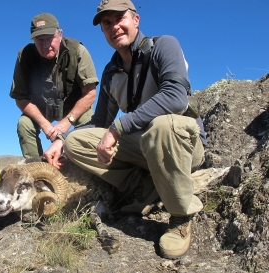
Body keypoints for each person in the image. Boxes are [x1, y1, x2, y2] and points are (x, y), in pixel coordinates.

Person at [44, 0, 207, 259]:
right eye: (107, 23)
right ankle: (143, 186)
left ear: (135, 20)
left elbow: (176, 97)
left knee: (161, 125)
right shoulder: (111, 72)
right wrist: (62, 139)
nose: (114, 27)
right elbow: (99, 122)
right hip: (145, 147)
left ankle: (181, 214)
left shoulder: (164, 45)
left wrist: (118, 127)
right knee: (77, 142)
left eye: (119, 18)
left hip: (181, 144)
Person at [10, 13, 99, 159]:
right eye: (40, 40)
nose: (45, 45)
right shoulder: (24, 56)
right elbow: (21, 98)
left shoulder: (78, 51)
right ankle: (36, 170)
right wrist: (45, 125)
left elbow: (90, 94)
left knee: (89, 122)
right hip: (41, 108)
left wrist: (66, 123)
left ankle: (85, 168)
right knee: (24, 124)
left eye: (50, 38)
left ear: (60, 34)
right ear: (33, 40)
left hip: (74, 107)